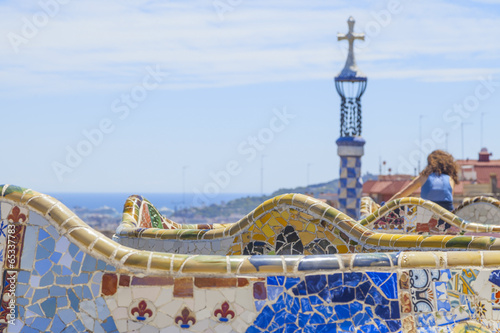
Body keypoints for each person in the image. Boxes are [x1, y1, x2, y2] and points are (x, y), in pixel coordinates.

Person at [388, 150, 460, 211]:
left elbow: (401, 195)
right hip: (446, 218)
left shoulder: (423, 177)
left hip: (426, 216)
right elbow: (449, 200)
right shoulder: (450, 180)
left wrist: (384, 206)